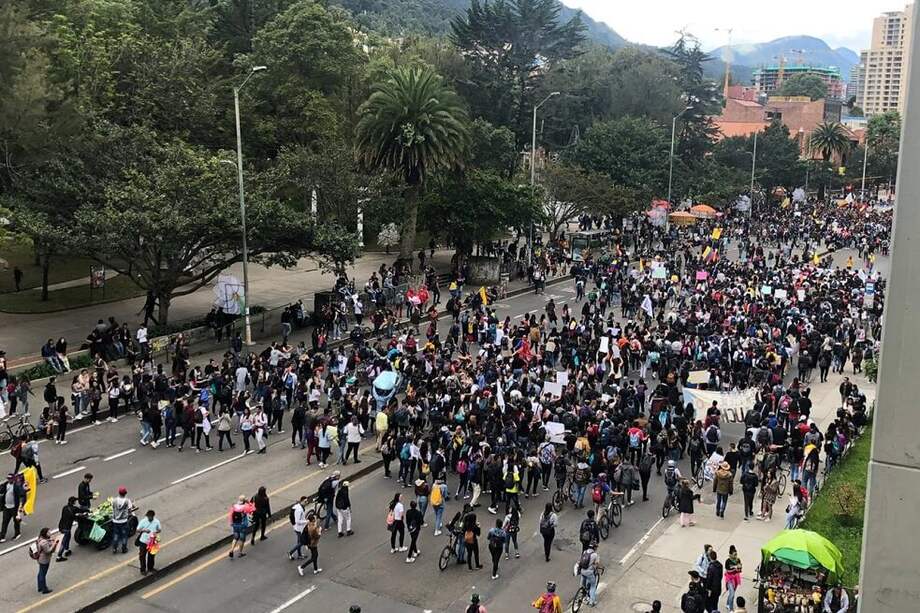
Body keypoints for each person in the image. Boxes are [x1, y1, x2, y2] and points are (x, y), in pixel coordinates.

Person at [55, 497, 84, 561]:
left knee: (68, 537)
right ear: (74, 502)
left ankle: (67, 549)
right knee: (64, 541)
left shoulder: (64, 507)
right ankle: (59, 556)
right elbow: (81, 511)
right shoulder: (74, 508)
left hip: (61, 526)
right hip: (67, 527)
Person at [0, 473, 26, 542]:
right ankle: (2, 536)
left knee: (16, 521)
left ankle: (17, 533)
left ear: (13, 479)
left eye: (10, 478)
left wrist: (20, 506)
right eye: (8, 478)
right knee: (5, 522)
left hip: (14, 507)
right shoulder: (5, 485)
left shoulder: (17, 486)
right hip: (6, 507)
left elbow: (22, 495)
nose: (9, 480)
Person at [228, 494, 254, 558]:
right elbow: (253, 509)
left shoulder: (234, 506)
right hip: (242, 525)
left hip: (235, 525)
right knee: (242, 539)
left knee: (235, 537)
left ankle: (231, 550)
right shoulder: (245, 507)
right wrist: (249, 503)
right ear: (244, 500)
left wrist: (231, 523)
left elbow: (230, 515)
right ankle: (240, 553)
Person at [136, 509, 161, 574]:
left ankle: (150, 568)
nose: (149, 518)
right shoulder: (143, 521)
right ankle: (143, 570)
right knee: (142, 556)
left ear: (153, 516)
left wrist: (155, 532)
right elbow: (138, 530)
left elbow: (159, 530)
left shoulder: (157, 522)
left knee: (151, 555)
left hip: (152, 541)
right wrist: (144, 530)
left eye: (150, 517)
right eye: (148, 516)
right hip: (143, 541)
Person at [33, 527, 57, 594]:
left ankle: (40, 587)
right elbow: (48, 551)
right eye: (49, 532)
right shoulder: (44, 543)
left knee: (40, 573)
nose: (50, 533)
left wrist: (51, 540)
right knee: (43, 574)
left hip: (40, 559)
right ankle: (44, 589)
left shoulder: (40, 539)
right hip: (44, 560)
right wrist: (54, 545)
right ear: (45, 533)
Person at [111, 487, 134, 554]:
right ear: (125, 493)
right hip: (123, 521)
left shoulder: (114, 500)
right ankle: (124, 549)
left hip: (115, 521)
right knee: (124, 535)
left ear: (119, 493)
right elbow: (130, 509)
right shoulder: (127, 501)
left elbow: (113, 508)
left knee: (116, 535)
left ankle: (114, 548)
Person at [724, 545, 743, 611]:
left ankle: (727, 604)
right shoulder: (727, 561)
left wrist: (739, 568)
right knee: (732, 594)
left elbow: (740, 570)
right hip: (729, 579)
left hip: (736, 579)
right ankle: (731, 609)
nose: (736, 556)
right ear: (730, 555)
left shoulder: (738, 560)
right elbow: (728, 571)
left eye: (736, 554)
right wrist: (735, 568)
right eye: (734, 555)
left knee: (732, 593)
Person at [704, 548, 723, 613]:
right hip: (718, 588)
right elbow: (721, 576)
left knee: (710, 604)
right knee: (715, 603)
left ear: (710, 557)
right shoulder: (720, 565)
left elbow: (709, 580)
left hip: (712, 590)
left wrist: (707, 589)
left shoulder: (711, 567)